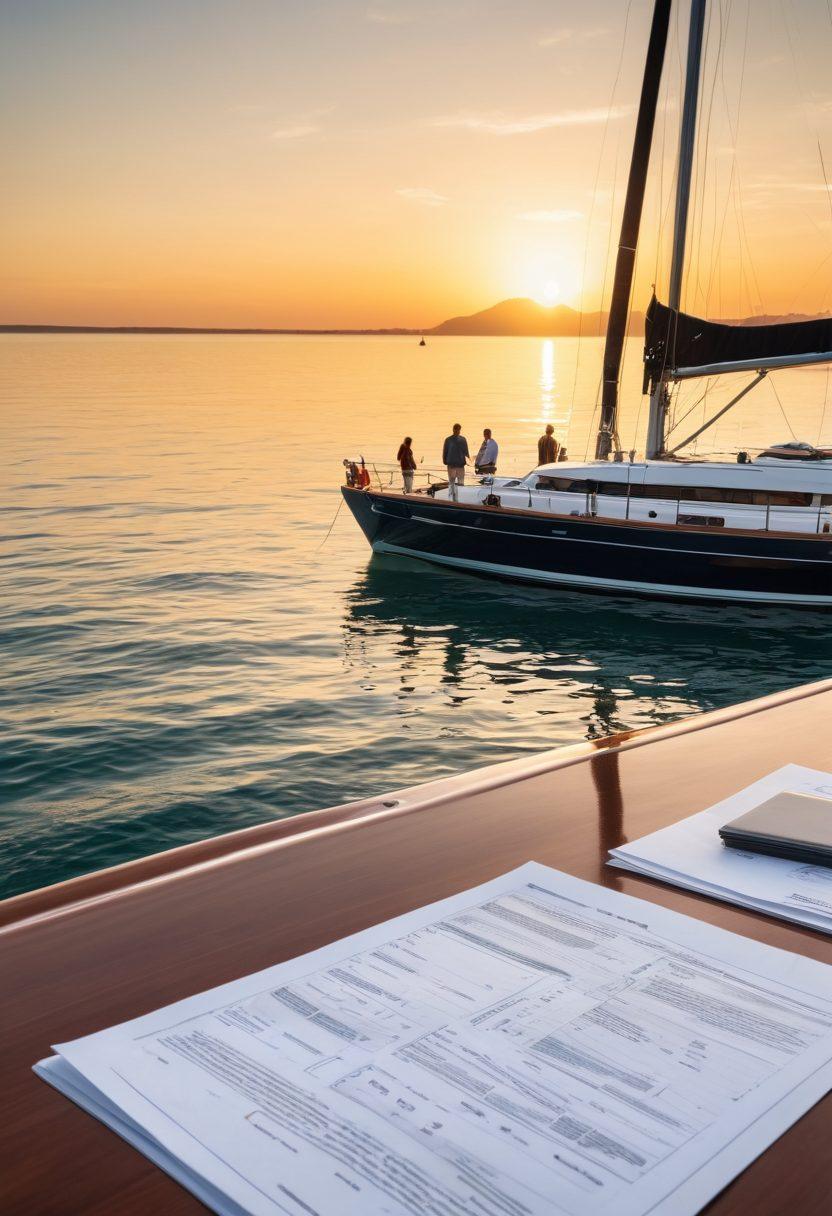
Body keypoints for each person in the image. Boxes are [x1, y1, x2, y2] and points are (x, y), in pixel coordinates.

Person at [442, 423, 469, 497]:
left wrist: (467, 461)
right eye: (456, 429)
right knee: (452, 482)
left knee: (460, 483)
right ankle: (452, 496)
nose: (457, 431)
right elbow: (445, 451)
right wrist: (445, 461)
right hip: (452, 465)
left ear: (460, 430)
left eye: (458, 429)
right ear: (453, 430)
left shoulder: (463, 439)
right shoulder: (448, 440)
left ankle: (459, 496)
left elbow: (466, 452)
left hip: (460, 465)